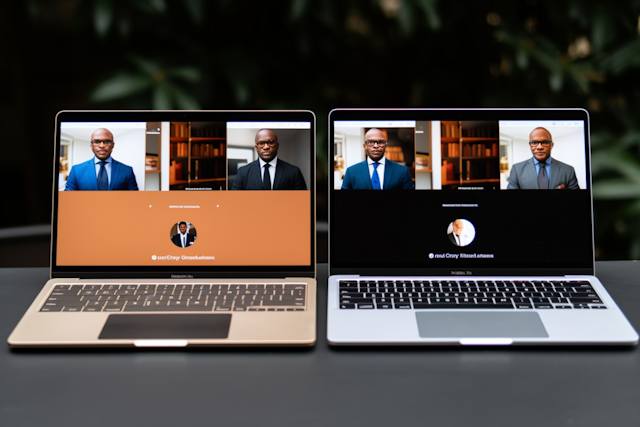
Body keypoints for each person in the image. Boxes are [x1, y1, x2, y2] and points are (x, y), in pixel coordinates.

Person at [65, 128, 139, 191]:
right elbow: (68, 200)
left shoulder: (127, 171)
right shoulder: (76, 170)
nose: (102, 145)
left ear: (113, 145)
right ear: (91, 145)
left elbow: (134, 200)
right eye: (97, 142)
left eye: (107, 142)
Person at [231, 129, 307, 190]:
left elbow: (303, 203)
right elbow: (235, 201)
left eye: (271, 142)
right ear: (256, 147)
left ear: (277, 146)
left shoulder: (294, 172)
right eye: (261, 143)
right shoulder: (243, 172)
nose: (266, 147)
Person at [341, 128, 414, 190]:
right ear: (364, 146)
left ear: (385, 145)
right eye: (370, 142)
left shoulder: (403, 171)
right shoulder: (351, 172)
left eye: (380, 142)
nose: (376, 146)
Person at [507, 127, 579, 190]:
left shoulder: (568, 170)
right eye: (534, 142)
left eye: (545, 142)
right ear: (530, 145)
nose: (539, 147)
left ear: (552, 145)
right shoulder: (516, 169)